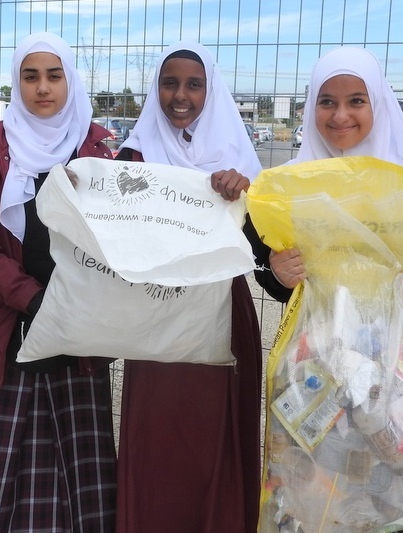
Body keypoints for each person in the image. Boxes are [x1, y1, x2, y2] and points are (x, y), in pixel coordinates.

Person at [245, 46, 403, 533]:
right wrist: (274, 271)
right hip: (315, 362)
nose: (340, 114)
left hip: (398, 363)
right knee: (322, 484)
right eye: (326, 101)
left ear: (379, 105)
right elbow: (271, 269)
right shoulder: (291, 186)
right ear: (311, 108)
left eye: (356, 100)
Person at [0, 32, 117, 532]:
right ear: (17, 83)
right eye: (30, 77)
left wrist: (76, 301)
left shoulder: (97, 145)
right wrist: (32, 299)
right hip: (13, 321)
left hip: (80, 326)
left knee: (77, 446)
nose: (42, 88)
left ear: (70, 80)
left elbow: (121, 232)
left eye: (54, 76)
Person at [114, 41, 263, 533]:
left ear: (210, 90)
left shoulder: (237, 157)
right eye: (169, 83)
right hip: (156, 314)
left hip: (221, 311)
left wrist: (241, 196)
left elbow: (263, 246)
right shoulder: (134, 155)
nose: (181, 96)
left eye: (193, 84)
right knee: (156, 434)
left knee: (213, 433)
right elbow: (116, 231)